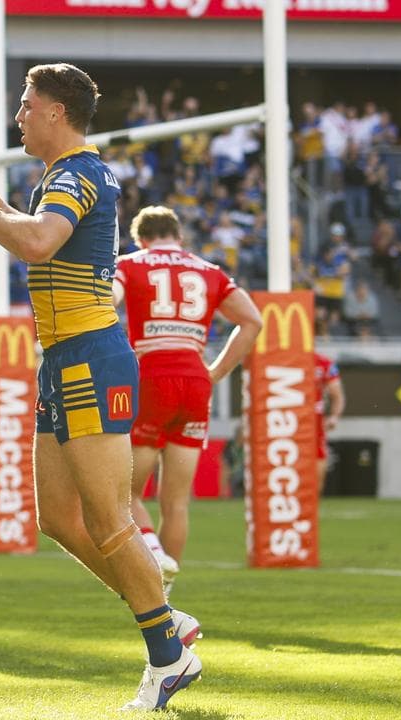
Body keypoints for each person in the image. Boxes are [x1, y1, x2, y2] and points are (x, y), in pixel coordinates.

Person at [0, 62, 201, 711]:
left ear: (57, 111)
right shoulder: (69, 175)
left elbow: (40, 241)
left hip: (89, 354)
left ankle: (166, 653)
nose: (19, 116)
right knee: (58, 517)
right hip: (67, 358)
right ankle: (162, 620)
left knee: (111, 521)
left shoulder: (77, 173)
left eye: (27, 105)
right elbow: (44, 238)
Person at [113, 205, 262, 596]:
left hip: (152, 376)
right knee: (176, 502)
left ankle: (153, 551)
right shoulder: (209, 270)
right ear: (178, 235)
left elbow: (107, 300)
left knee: (124, 493)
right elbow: (252, 321)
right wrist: (215, 371)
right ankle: (165, 594)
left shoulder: (130, 263)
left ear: (140, 238)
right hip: (196, 381)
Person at [314, 352, 345, 495]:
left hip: (314, 424)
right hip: (286, 422)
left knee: (318, 466)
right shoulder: (281, 361)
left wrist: (334, 416)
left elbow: (337, 394)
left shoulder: (323, 363)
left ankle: (310, 507)